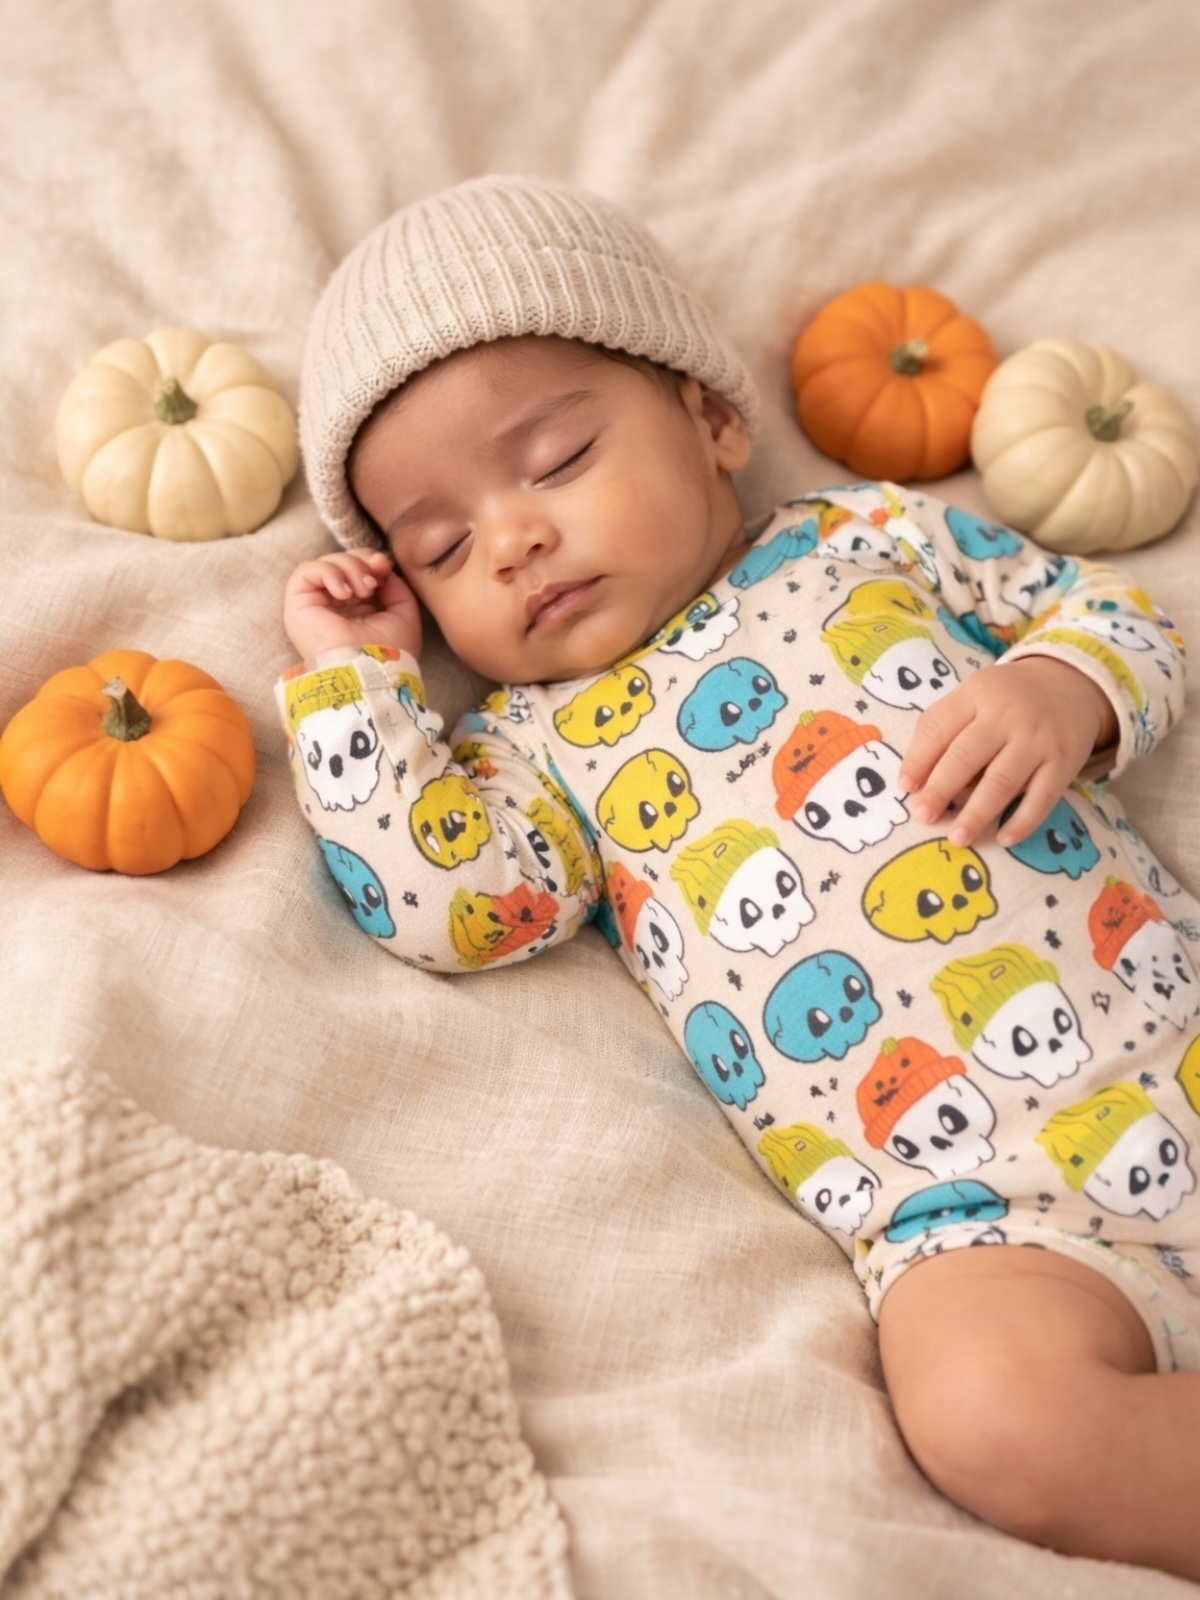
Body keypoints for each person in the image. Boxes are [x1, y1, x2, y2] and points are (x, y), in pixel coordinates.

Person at [280, 174, 1200, 1578]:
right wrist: (358, 685)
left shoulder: (865, 538)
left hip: (1168, 1027)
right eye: (444, 547)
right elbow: (446, 908)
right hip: (977, 1223)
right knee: (997, 1423)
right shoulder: (530, 747)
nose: (512, 541)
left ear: (711, 420)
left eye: (557, 460)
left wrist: (1062, 687)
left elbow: (1116, 612)